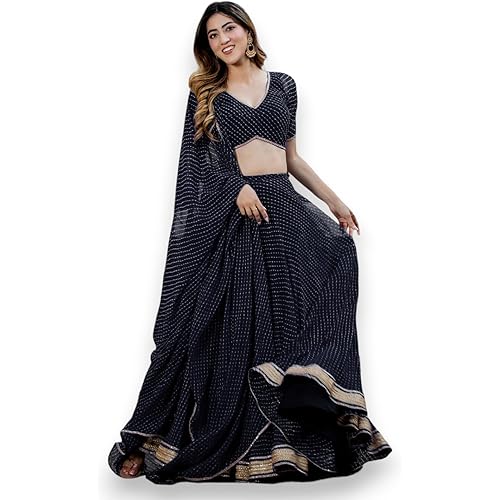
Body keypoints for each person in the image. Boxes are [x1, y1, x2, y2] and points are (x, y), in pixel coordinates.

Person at [108, 1, 392, 484]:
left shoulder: (284, 85)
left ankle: (288, 442)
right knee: (214, 328)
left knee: (318, 285)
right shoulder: (208, 95)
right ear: (208, 47)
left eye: (229, 28)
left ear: (247, 31)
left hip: (284, 211)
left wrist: (335, 202)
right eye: (213, 35)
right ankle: (156, 437)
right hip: (237, 216)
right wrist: (235, 186)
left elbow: (291, 158)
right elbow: (195, 168)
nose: (223, 39)